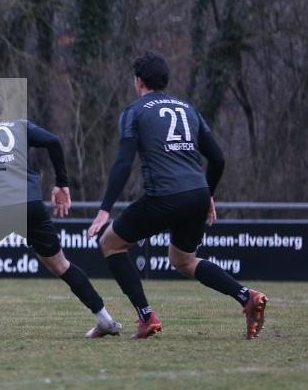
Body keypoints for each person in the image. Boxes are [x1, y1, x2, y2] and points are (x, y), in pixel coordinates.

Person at [86, 51, 267, 339]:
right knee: (184, 260)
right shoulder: (188, 108)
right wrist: (208, 194)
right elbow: (218, 158)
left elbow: (123, 163)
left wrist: (104, 209)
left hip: (165, 195)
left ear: (139, 81)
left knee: (111, 243)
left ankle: (146, 317)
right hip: (196, 193)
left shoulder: (135, 111)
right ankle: (247, 296)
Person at [0, 90, 121, 339]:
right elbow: (53, 141)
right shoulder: (19, 126)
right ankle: (104, 319)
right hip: (30, 204)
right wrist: (62, 183)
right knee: (61, 265)